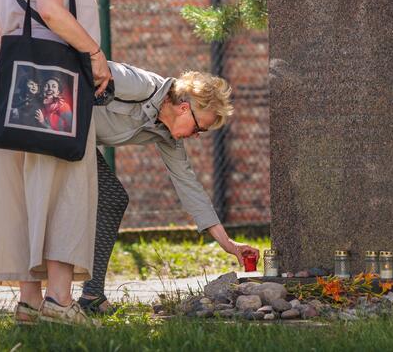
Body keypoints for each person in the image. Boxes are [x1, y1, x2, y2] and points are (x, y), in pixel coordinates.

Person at [0, 0, 112, 327]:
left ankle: (30, 303)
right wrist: (95, 54)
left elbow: (11, 26)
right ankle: (61, 301)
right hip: (54, 83)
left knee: (22, 188)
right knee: (67, 184)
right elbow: (52, 12)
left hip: (12, 79)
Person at [77, 62, 260, 314]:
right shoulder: (141, 86)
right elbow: (90, 68)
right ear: (184, 109)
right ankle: (78, 296)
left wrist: (227, 243)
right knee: (108, 199)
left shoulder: (166, 134)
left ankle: (90, 296)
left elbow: (189, 187)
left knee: (112, 199)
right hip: (60, 125)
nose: (196, 136)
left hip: (79, 139)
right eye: (199, 128)